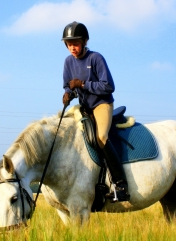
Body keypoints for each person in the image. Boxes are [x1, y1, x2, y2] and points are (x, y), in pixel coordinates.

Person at [61, 21, 130, 202]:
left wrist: (83, 84)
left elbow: (108, 86)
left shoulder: (96, 58)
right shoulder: (68, 62)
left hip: (101, 104)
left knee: (101, 138)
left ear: (84, 41)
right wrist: (68, 94)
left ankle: (121, 185)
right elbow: (69, 86)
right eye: (69, 44)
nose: (72, 48)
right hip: (84, 107)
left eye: (75, 43)